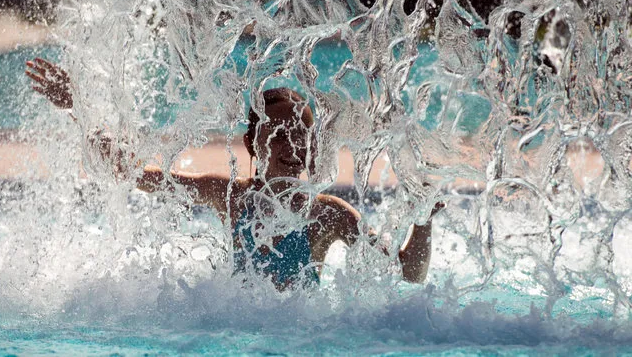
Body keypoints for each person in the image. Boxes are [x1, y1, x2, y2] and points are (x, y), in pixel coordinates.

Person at [26, 58, 440, 289]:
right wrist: (78, 108)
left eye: (300, 136)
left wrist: (423, 216)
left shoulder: (326, 214)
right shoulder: (231, 198)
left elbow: (408, 274)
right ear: (252, 145)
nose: (290, 146)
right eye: (277, 134)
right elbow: (133, 174)